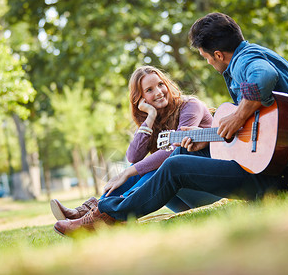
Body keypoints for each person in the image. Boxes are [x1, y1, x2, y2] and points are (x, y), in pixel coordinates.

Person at [53, 12, 288, 235]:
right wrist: (211, 136)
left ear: (217, 54)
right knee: (181, 151)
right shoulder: (256, 53)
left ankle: (107, 218)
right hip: (274, 163)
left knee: (175, 164)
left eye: (205, 57)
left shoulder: (244, 62)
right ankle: (102, 209)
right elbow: (254, 134)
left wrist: (238, 115)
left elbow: (264, 77)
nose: (206, 62)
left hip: (280, 175)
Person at [51, 66, 220, 231]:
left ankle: (108, 214)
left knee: (161, 166)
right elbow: (133, 156)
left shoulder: (190, 106)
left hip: (210, 187)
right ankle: (94, 212)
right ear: (141, 98)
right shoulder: (155, 117)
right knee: (145, 168)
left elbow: (173, 152)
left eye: (160, 84)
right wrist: (150, 117)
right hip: (182, 192)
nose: (159, 92)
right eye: (150, 90)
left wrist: (127, 172)